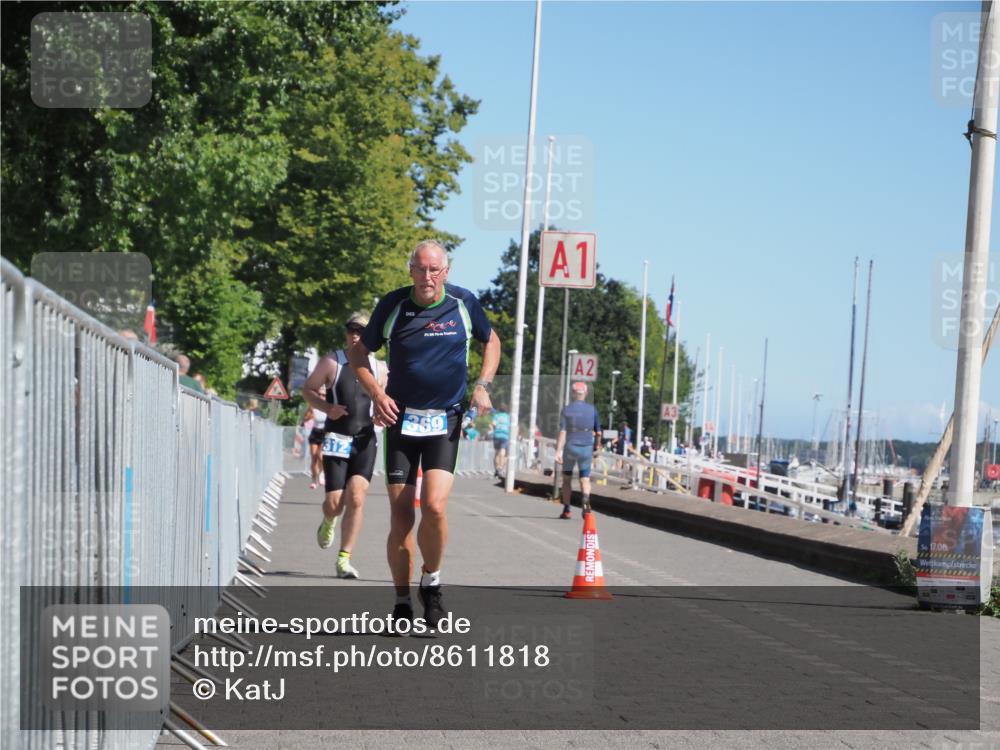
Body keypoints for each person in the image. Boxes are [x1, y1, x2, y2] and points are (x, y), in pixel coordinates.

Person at [348, 239, 500, 627]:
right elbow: (358, 354)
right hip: (400, 420)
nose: (427, 276)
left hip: (445, 420)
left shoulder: (464, 303)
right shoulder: (394, 304)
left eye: (435, 270)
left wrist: (482, 385)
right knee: (401, 519)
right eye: (420, 268)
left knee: (433, 507)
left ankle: (431, 583)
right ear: (410, 269)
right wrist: (377, 394)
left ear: (446, 273)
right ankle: (401, 601)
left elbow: (491, 341)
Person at [304, 313, 386, 579]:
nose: (355, 335)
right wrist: (328, 408)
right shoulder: (332, 361)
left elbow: (384, 398)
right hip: (337, 438)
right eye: (351, 330)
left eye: (361, 331)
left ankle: (344, 558)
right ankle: (329, 519)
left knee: (357, 497)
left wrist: (380, 414)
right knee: (335, 503)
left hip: (365, 439)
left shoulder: (380, 367)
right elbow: (308, 390)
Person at [554, 382, 601, 519]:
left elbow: (563, 431)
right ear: (585, 393)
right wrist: (596, 447)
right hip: (586, 447)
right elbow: (598, 433)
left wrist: (558, 450)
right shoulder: (592, 410)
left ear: (573, 394)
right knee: (584, 479)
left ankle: (567, 509)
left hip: (570, 447)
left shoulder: (567, 410)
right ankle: (585, 504)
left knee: (567, 479)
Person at [302, 406, 324, 489]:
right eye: (320, 395)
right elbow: (305, 418)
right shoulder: (313, 407)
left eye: (324, 395)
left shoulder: (329, 407)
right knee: (314, 457)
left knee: (321, 456)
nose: (322, 396)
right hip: (315, 433)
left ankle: (322, 474)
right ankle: (314, 480)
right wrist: (310, 416)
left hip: (325, 433)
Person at [491, 403, 511, 480]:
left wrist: (496, 428)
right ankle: (500, 468)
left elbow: (493, 424)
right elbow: (511, 426)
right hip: (505, 436)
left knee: (496, 453)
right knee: (503, 453)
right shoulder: (508, 417)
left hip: (496, 435)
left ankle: (496, 469)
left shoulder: (496, 416)